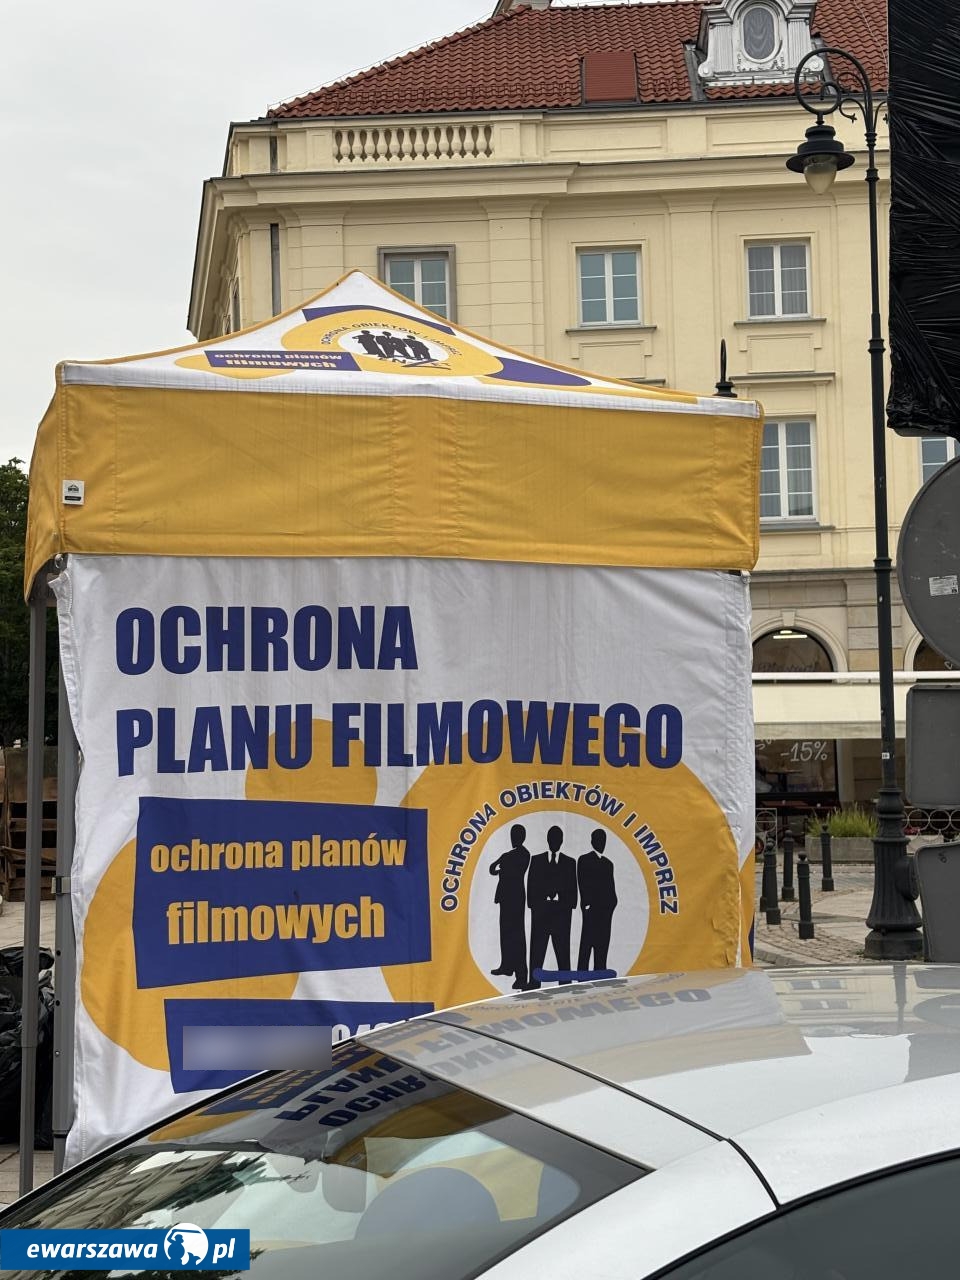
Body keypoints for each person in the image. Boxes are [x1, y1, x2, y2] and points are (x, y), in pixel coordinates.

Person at [526, 825, 577, 987]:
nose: (555, 842)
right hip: (541, 912)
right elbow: (531, 884)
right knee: (537, 950)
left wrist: (568, 905)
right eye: (552, 838)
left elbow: (573, 887)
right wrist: (534, 905)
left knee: (563, 951)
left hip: (562, 914)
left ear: (562, 841)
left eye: (558, 839)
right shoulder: (536, 860)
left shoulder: (570, 862)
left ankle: (566, 984)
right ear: (548, 840)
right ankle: (533, 984)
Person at [489, 824, 531, 989]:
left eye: (516, 835)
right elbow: (492, 869)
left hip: (516, 899)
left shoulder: (523, 854)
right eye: (513, 835)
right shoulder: (508, 855)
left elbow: (514, 872)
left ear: (522, 837)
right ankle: (506, 966)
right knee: (505, 932)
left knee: (517, 936)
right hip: (505, 899)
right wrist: (502, 865)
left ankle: (521, 975)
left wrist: (503, 866)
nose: (513, 838)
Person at [576, 828, 618, 972]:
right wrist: (586, 905)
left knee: (602, 945)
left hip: (605, 912)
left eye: (603, 840)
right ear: (592, 841)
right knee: (586, 944)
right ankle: (582, 975)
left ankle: (600, 974)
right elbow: (582, 883)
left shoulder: (608, 864)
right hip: (591, 909)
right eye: (599, 840)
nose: (602, 843)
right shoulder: (584, 859)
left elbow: (611, 886)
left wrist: (612, 903)